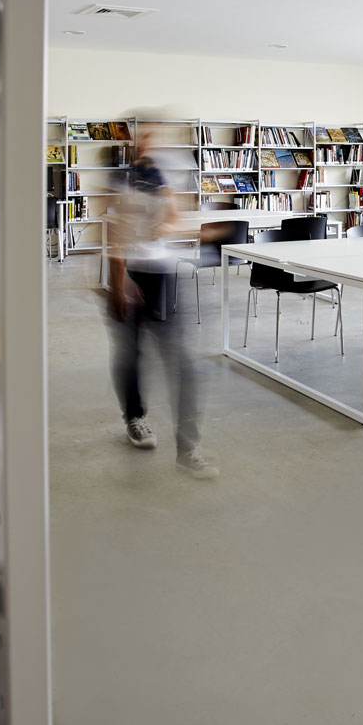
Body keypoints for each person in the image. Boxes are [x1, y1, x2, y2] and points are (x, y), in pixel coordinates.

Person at [104, 126, 218, 477]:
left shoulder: (163, 175)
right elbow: (110, 230)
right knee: (131, 355)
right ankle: (135, 419)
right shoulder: (120, 178)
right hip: (130, 274)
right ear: (131, 142)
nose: (148, 142)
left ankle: (189, 449)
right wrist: (118, 281)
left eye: (153, 137)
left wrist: (165, 226)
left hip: (163, 274)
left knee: (182, 360)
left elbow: (173, 220)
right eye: (143, 136)